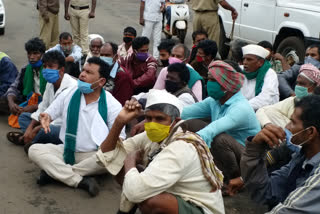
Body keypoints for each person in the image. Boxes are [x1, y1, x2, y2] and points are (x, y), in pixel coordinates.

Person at [96, 89, 225, 214]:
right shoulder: (151, 136)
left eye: (160, 119)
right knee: (120, 166)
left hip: (198, 206)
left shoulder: (181, 147)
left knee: (152, 202)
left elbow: (135, 193)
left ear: (176, 122)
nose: (153, 124)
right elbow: (106, 155)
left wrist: (130, 162)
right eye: (148, 118)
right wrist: (119, 122)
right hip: (175, 194)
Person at [28, 57, 126, 196]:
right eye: (83, 70)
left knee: (114, 157)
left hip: (94, 155)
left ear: (101, 81)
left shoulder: (112, 105)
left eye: (89, 72)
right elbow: (49, 113)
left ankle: (54, 173)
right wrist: (45, 118)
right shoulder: (69, 93)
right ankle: (79, 180)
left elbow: (119, 139)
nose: (82, 74)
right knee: (34, 149)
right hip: (66, 150)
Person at [181, 60, 261, 193]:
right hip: (229, 154)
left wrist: (186, 146)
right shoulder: (215, 101)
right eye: (209, 78)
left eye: (213, 80)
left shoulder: (240, 108)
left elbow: (212, 129)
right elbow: (185, 112)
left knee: (219, 139)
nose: (208, 83)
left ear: (226, 85)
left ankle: (230, 181)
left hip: (249, 161)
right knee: (190, 123)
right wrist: (160, 112)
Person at [240, 95, 320, 213]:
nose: (287, 127)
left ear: (310, 132)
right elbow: (265, 192)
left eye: (292, 122)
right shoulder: (301, 158)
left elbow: (287, 211)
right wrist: (255, 150)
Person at [256, 64, 320, 173]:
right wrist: (269, 125)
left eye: (302, 84)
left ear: (313, 86)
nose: (298, 86)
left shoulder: (315, 108)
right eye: (297, 83)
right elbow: (261, 111)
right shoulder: (293, 100)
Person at [6, 51, 77, 149]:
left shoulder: (72, 87)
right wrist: (31, 127)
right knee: (23, 117)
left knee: (48, 130)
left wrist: (37, 128)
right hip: (47, 119)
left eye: (51, 67)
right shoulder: (50, 83)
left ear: (61, 70)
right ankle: (34, 139)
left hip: (63, 125)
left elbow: (65, 119)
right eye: (45, 66)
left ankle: (30, 141)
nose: (47, 70)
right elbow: (43, 106)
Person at [5, 38, 47, 119]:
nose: (31, 57)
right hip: (30, 101)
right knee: (6, 100)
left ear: (42, 54)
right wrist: (11, 103)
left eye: (35, 53)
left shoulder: (48, 70)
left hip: (46, 104)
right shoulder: (25, 69)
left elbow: (55, 99)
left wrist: (35, 107)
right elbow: (13, 88)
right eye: (29, 54)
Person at [240, 44, 279, 111]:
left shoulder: (270, 73)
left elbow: (266, 98)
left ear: (260, 62)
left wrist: (241, 107)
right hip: (242, 110)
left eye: (249, 59)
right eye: (244, 59)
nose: (245, 62)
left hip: (264, 113)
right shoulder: (240, 70)